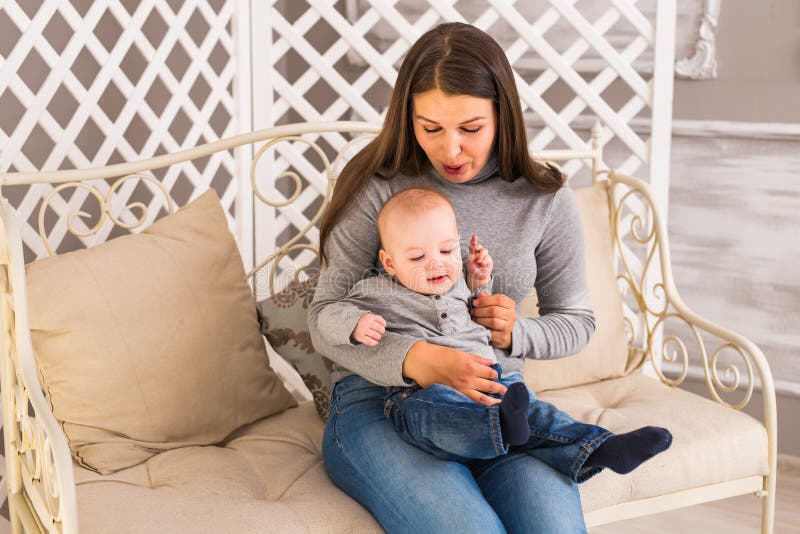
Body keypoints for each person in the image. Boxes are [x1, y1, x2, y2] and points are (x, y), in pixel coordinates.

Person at [307, 21, 650, 533]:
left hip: (499, 401)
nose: (450, 151)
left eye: (470, 129)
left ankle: (593, 446)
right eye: (430, 129)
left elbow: (576, 320)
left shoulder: (543, 196)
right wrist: (418, 359)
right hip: (380, 402)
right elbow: (323, 318)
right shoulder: (379, 185)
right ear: (409, 118)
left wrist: (517, 333)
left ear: (502, 116)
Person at [316, 187, 671, 477]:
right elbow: (328, 314)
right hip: (422, 392)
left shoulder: (455, 282)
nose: (436, 263)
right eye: (417, 258)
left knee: (541, 415)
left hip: (491, 380)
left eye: (446, 250)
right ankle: (501, 428)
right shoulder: (377, 290)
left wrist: (478, 277)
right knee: (432, 414)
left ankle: (602, 447)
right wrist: (355, 325)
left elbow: (471, 305)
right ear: (390, 263)